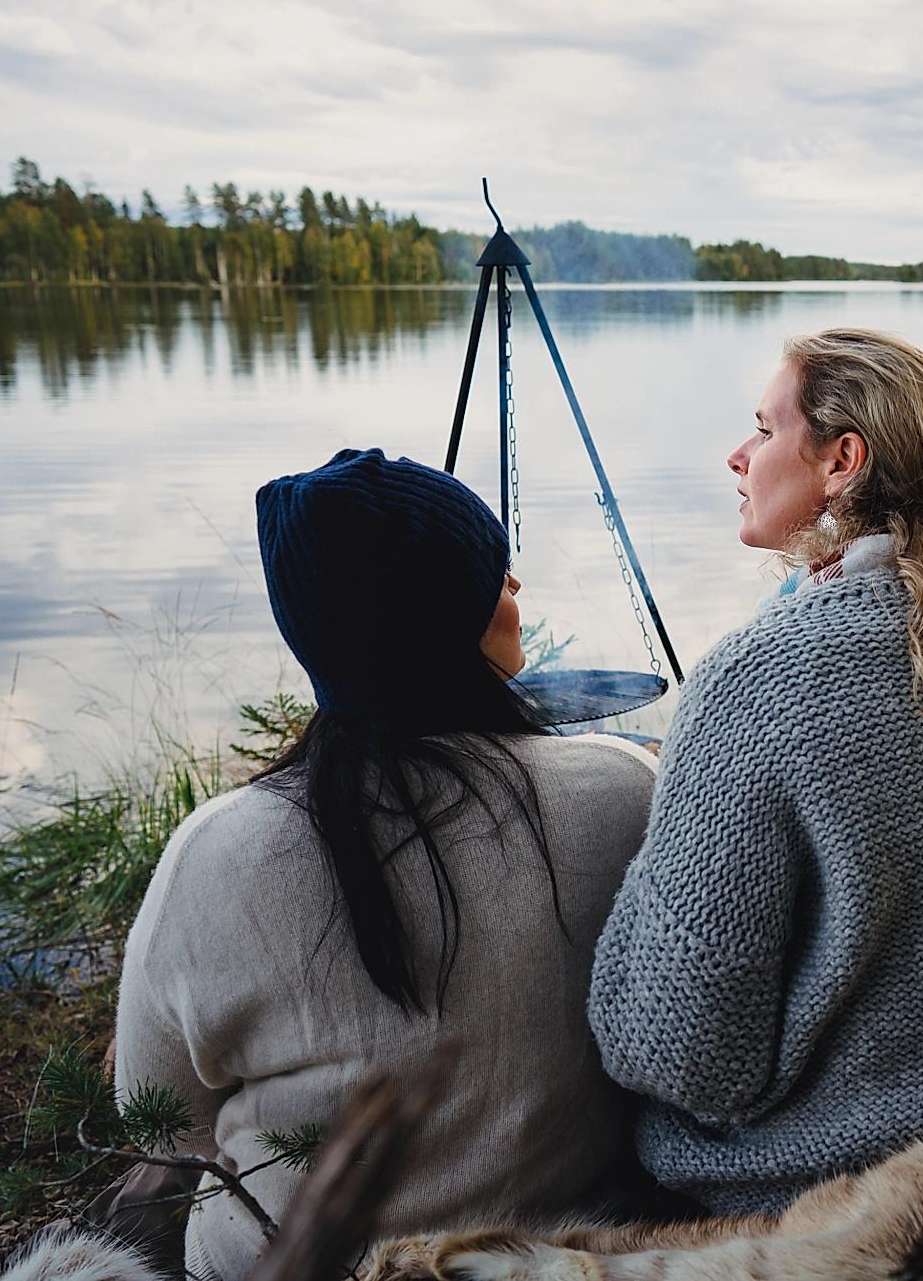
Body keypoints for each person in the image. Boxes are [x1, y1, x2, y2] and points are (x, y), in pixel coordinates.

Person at [587, 327, 923, 1215]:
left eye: (764, 430)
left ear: (843, 460)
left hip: (888, 1171)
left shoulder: (756, 677)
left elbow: (676, 1051)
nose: (737, 455)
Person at [114, 448, 657, 1280]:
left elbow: (159, 1127)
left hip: (284, 1262)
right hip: (552, 1260)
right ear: (445, 617)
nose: (516, 594)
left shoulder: (216, 851)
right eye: (496, 578)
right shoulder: (622, 793)